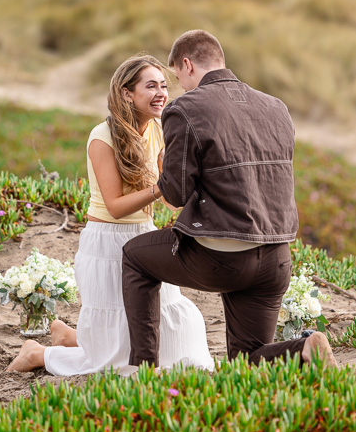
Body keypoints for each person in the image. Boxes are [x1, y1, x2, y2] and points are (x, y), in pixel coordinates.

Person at [122, 31, 336, 369]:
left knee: (134, 256)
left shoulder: (184, 109)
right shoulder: (275, 106)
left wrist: (164, 169)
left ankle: (143, 370)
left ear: (188, 64)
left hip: (224, 257)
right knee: (246, 361)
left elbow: (176, 194)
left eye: (177, 76)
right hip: (277, 257)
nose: (178, 87)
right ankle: (304, 348)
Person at [7, 55, 214, 374]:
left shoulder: (159, 129)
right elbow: (115, 206)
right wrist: (163, 185)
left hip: (145, 236)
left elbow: (170, 199)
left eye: (163, 85)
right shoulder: (101, 137)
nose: (161, 93)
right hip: (107, 244)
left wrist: (187, 191)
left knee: (175, 337)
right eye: (150, 86)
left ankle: (71, 337)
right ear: (127, 93)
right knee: (120, 360)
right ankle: (39, 354)